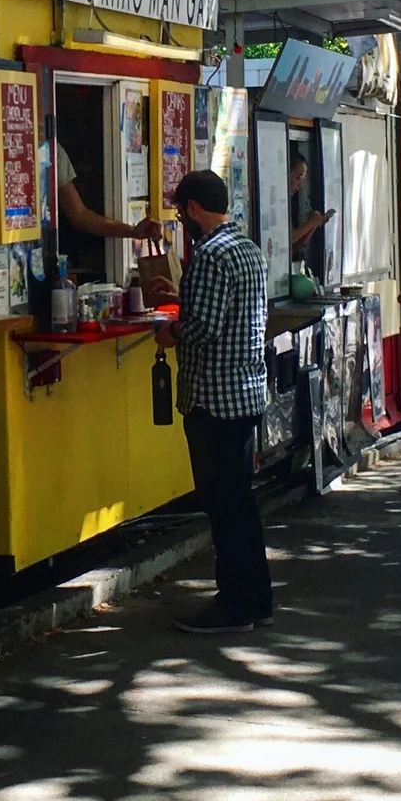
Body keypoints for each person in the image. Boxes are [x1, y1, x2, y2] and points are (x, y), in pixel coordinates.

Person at [155, 169, 273, 632]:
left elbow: (201, 327)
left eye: (183, 209)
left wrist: (170, 332)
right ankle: (255, 596)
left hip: (212, 398)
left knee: (223, 506)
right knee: (241, 503)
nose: (182, 217)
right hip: (246, 391)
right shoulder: (247, 250)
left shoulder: (208, 256)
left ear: (195, 208)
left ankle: (233, 603)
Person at [287, 153, 333, 270]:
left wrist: (313, 225)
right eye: (297, 178)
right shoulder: (278, 203)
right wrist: (310, 224)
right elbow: (287, 239)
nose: (300, 184)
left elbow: (294, 246)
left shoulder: (288, 203)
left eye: (302, 180)